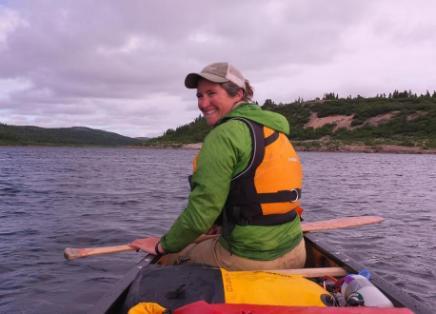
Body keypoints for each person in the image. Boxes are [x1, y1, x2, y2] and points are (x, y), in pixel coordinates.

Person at [130, 62, 305, 270]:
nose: (203, 104)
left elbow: (199, 216)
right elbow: (248, 189)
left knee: (174, 255)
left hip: (251, 258)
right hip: (296, 250)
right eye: (199, 95)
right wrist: (220, 223)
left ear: (238, 94)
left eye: (211, 93)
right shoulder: (273, 129)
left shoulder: (224, 135)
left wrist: (162, 245)